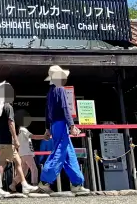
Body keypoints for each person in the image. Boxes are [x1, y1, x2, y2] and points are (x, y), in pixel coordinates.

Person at [36, 65, 88, 194]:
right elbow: (65, 108)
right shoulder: (61, 89)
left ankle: (77, 182)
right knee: (59, 152)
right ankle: (45, 181)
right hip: (61, 124)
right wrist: (71, 125)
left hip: (54, 125)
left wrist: (47, 129)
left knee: (68, 153)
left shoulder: (50, 92)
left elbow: (47, 112)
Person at [0, 83, 36, 194]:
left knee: (18, 162)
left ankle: (24, 184)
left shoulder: (1, 106)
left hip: (3, 139)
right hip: (7, 140)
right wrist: (15, 139)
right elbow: (11, 123)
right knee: (3, 163)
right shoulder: (8, 107)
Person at [14, 112, 44, 186]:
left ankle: (13, 184)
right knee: (34, 169)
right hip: (27, 153)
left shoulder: (18, 130)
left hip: (22, 153)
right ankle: (35, 185)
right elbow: (33, 136)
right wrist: (44, 137)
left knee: (24, 172)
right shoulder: (23, 129)